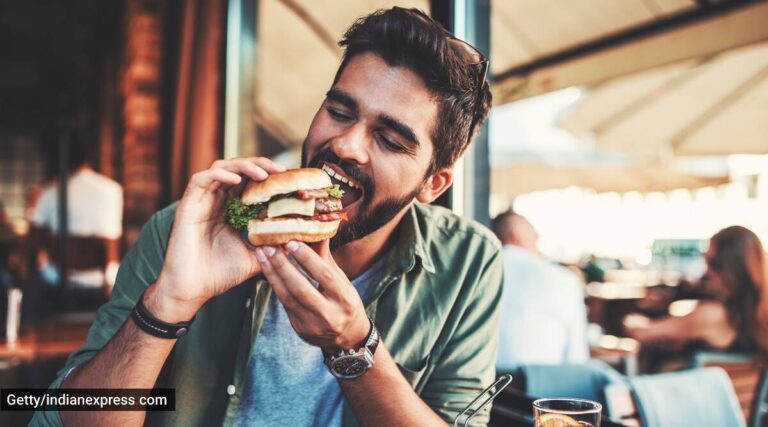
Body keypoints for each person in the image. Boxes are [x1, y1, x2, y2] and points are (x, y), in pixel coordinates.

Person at [33, 7, 501, 426]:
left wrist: (354, 348)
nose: (346, 144)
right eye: (339, 111)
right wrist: (167, 303)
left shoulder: (469, 263)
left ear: (432, 184)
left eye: (391, 140)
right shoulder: (188, 230)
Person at [624, 226, 768, 361]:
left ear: (733, 267)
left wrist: (634, 322)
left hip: (687, 386)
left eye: (713, 262)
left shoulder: (713, 316)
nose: (707, 271)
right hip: (739, 388)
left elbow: (643, 333)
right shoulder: (759, 317)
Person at [492, 210, 589, 371]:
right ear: (516, 235)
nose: (538, 240)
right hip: (537, 384)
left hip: (482, 387)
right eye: (534, 236)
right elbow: (576, 355)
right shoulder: (561, 277)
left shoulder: (473, 271)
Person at [30, 136, 123, 291]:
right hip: (104, 277)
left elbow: (34, 237)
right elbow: (113, 236)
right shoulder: (113, 190)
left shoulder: (51, 193)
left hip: (58, 277)